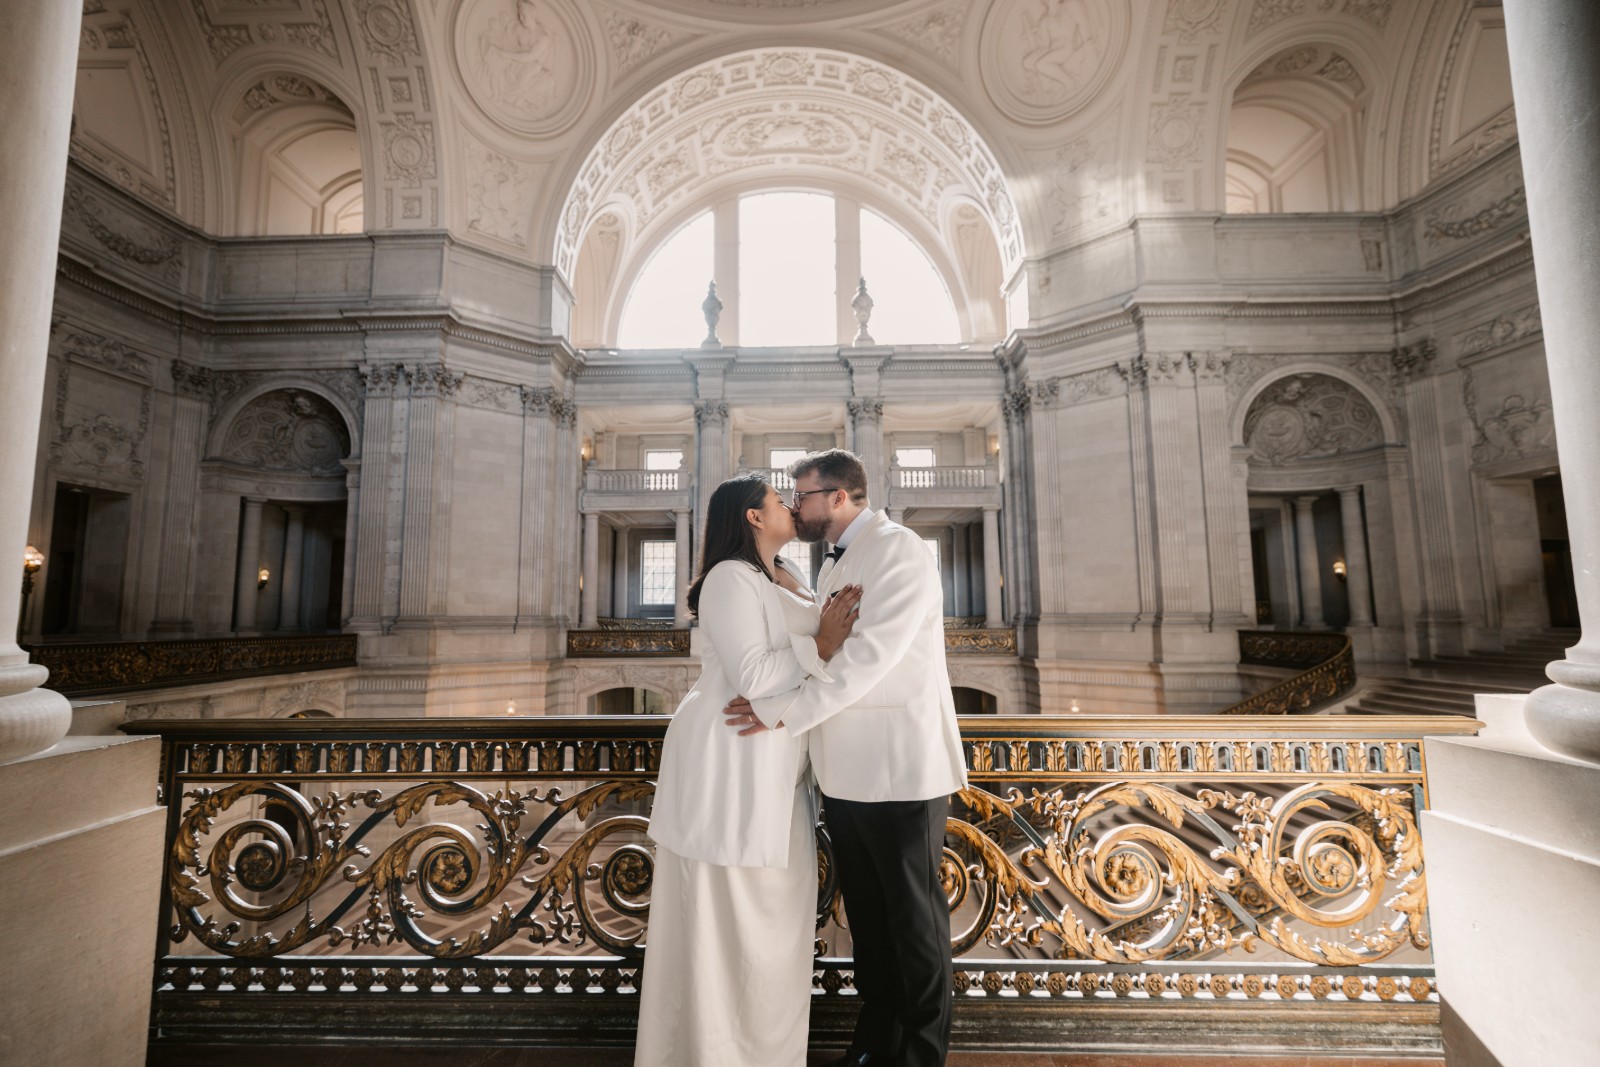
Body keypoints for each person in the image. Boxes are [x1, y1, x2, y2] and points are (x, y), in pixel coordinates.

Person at [724, 449, 968, 1067]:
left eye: (800, 496)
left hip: (899, 768)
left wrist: (782, 714)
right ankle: (876, 1043)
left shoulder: (899, 549)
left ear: (837, 497)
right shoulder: (834, 560)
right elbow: (823, 638)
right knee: (869, 926)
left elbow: (866, 659)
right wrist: (789, 585)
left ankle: (918, 1055)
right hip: (844, 773)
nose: (795, 507)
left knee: (914, 926)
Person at [636, 473, 864, 1067]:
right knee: (726, 927)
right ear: (753, 517)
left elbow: (804, 633)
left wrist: (815, 620)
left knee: (775, 929)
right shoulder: (727, 579)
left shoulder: (774, 577)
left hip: (773, 765)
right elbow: (757, 677)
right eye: (776, 500)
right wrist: (825, 645)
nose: (790, 505)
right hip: (729, 762)